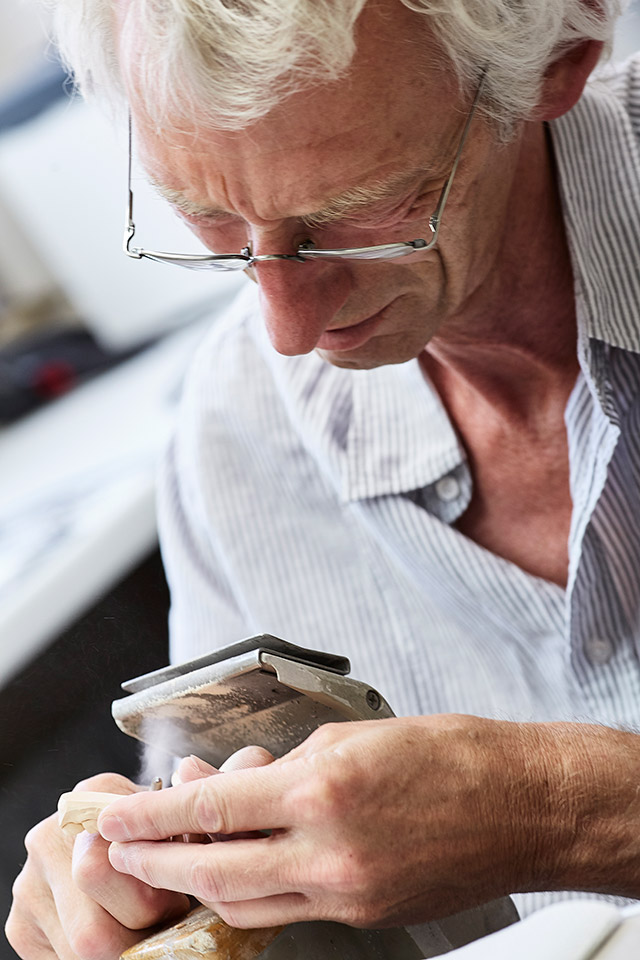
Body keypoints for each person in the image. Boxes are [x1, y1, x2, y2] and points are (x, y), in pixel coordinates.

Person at [7, 0, 640, 957]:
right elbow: (240, 873)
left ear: (560, 58)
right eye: (209, 216)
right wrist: (143, 889)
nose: (288, 328)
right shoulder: (237, 433)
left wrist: (553, 807)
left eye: (351, 216)